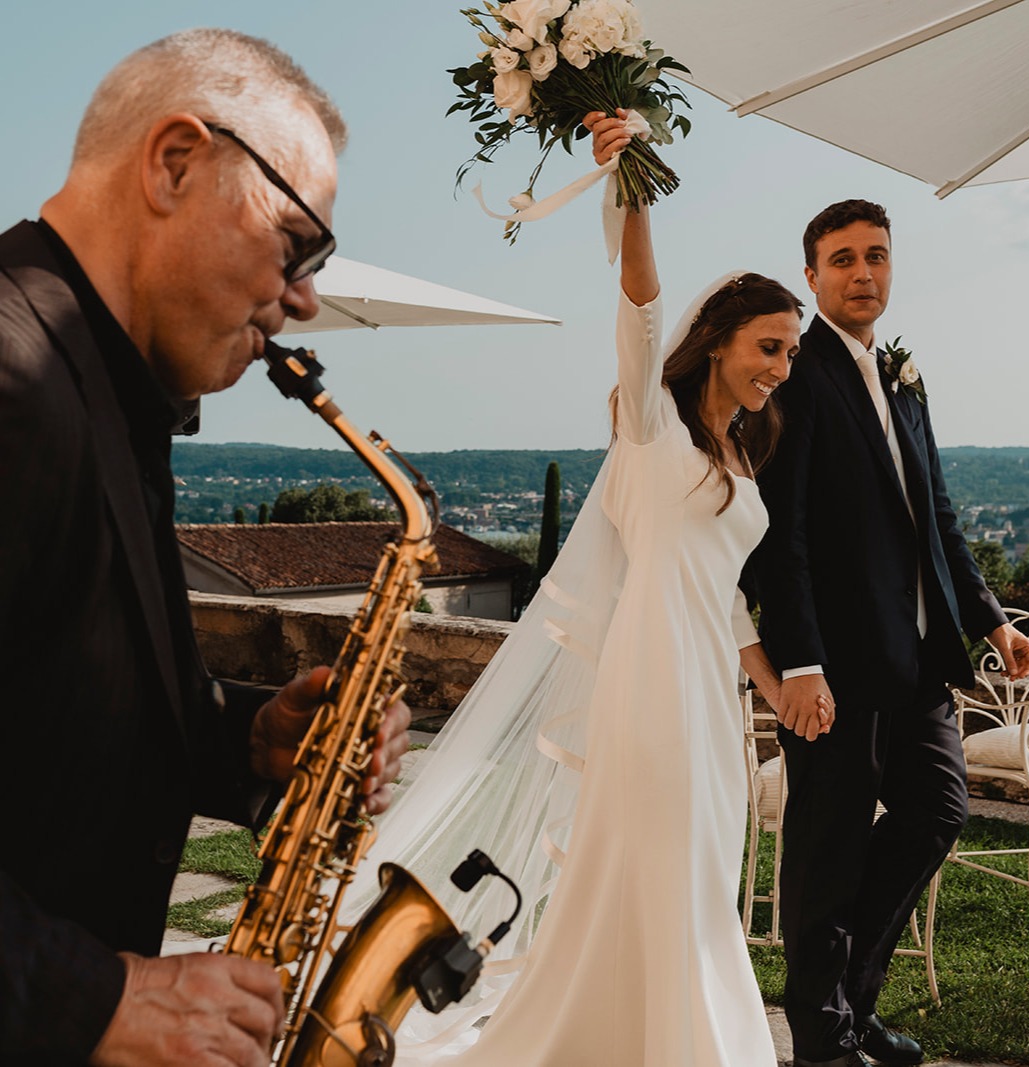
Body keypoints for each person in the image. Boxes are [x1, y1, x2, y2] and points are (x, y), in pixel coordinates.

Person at [337, 109, 823, 1066]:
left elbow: (722, 593)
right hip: (648, 679)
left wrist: (768, 686)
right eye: (768, 345)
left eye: (791, 352)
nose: (780, 366)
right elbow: (639, 300)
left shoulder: (740, 452)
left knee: (698, 870)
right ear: (719, 339)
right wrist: (630, 178)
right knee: (661, 864)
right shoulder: (651, 427)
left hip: (711, 690)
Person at [0, 29, 410, 1067]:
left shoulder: (106, 384)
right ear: (174, 162)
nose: (307, 296)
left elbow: (56, 698)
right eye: (299, 242)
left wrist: (246, 741)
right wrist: (98, 999)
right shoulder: (13, 383)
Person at [749, 199, 1029, 1067]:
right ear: (811, 276)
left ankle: (848, 1004)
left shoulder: (901, 376)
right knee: (826, 853)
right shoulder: (795, 379)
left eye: (874, 255)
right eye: (840, 259)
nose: (861, 272)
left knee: (937, 809)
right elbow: (779, 536)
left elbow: (934, 514)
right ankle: (820, 1040)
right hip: (832, 669)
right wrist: (797, 662)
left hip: (917, 662)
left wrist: (988, 616)